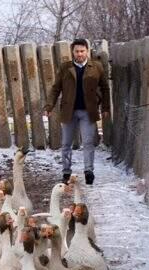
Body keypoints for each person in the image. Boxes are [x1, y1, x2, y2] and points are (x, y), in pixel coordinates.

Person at [45, 39, 110, 185]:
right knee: (66, 143)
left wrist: (105, 107)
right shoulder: (65, 68)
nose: (79, 54)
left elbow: (105, 88)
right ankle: (66, 172)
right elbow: (56, 88)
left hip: (88, 111)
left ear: (87, 51)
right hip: (69, 111)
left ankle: (89, 171)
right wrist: (49, 106)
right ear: (72, 52)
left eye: (82, 51)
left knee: (88, 142)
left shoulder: (96, 67)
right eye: (77, 51)